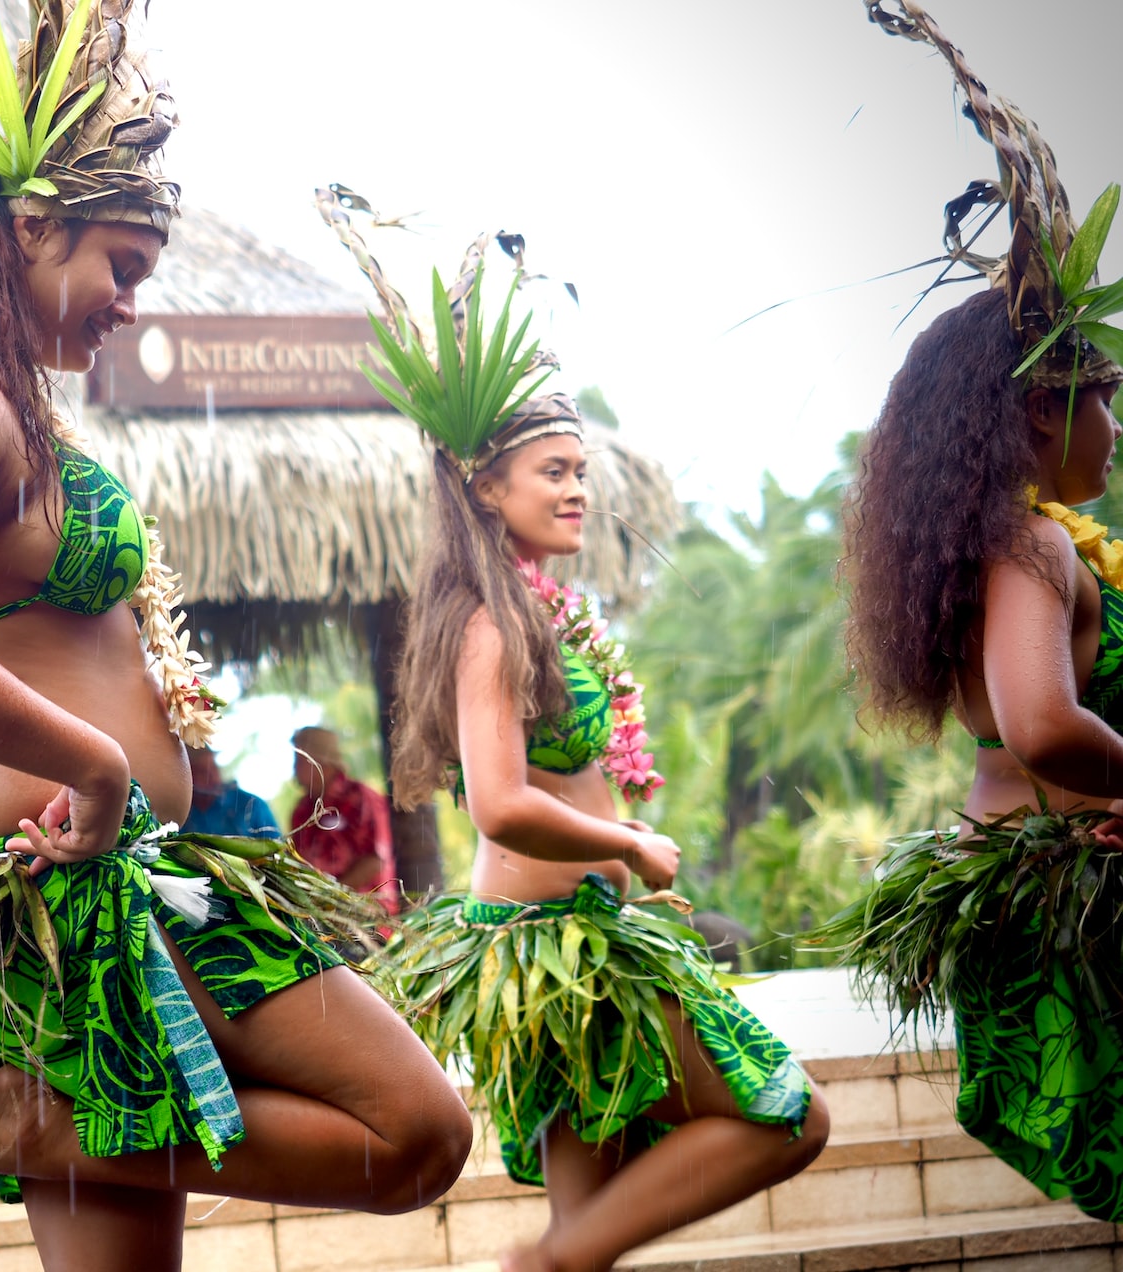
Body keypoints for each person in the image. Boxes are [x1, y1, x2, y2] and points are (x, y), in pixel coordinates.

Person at [0, 6, 472, 1268]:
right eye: (121, 264)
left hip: (114, 875)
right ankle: (13, 1122)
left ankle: (31, 1123)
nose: (127, 303)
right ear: (33, 226)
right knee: (416, 1133)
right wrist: (101, 769)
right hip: (81, 880)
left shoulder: (6, 404)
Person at [317, 191, 828, 1272]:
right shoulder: (489, 629)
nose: (578, 491)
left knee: (588, 1226)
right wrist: (630, 846)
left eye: (581, 472)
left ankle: (548, 1264)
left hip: (578, 940)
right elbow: (503, 804)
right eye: (555, 472)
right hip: (557, 948)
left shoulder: (535, 609)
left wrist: (624, 854)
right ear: (483, 484)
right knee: (787, 1118)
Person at [814, 0, 1123, 1224]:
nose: (1114, 426)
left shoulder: (994, 545)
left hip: (1040, 891)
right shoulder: (1031, 545)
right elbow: (1045, 728)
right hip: (1067, 900)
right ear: (1043, 408)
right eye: (1104, 395)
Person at [289, 726, 400, 910]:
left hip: (366, 921)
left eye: (299, 761)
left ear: (319, 761)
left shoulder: (361, 798)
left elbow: (375, 861)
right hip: (318, 924)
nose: (294, 769)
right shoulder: (301, 812)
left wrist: (329, 900)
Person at [179, 746, 279, 838]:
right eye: (202, 772)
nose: (212, 777)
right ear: (186, 776)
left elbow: (278, 850)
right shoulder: (176, 812)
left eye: (213, 767)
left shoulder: (253, 805)